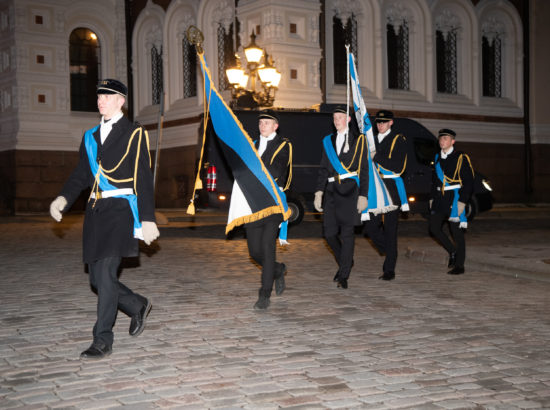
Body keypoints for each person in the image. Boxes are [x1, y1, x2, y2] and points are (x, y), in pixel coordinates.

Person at [49, 79, 159, 359]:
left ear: (121, 101)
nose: (101, 100)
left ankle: (102, 338)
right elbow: (81, 175)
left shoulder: (135, 134)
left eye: (108, 96)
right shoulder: (90, 136)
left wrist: (147, 219)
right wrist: (63, 198)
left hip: (122, 211)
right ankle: (137, 305)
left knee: (107, 275)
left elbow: (143, 179)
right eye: (99, 95)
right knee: (98, 281)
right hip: (95, 213)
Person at [229, 110, 292, 310]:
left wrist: (251, 166)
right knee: (255, 252)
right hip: (253, 205)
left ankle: (264, 294)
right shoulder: (252, 146)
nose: (262, 126)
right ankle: (278, 269)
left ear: (275, 126)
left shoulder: (284, 145)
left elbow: (275, 170)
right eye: (260, 123)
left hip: (273, 204)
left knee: (267, 248)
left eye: (267, 123)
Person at [314, 106, 369, 289]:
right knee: (329, 233)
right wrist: (319, 192)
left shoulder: (359, 140)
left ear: (349, 120)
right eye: (335, 117)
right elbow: (323, 169)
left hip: (350, 191)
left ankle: (344, 273)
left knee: (347, 234)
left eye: (340, 117)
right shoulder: (327, 141)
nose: (337, 120)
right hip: (331, 191)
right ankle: (346, 260)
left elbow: (364, 170)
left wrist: (363, 195)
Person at [363, 110, 408, 281]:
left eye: (384, 122)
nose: (380, 125)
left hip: (391, 187)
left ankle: (389, 269)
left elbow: (398, 166)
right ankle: (389, 251)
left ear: (391, 123)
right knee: (370, 228)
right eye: (378, 122)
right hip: (375, 188)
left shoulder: (399, 139)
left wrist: (377, 156)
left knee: (390, 230)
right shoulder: (371, 139)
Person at [429, 128, 474, 275]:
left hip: (454, 198)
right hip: (439, 198)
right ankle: (453, 251)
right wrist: (431, 197)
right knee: (434, 228)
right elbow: (434, 179)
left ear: (452, 141)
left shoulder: (461, 157)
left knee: (457, 233)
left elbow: (468, 181)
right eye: (441, 139)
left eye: (446, 139)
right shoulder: (436, 157)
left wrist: (462, 201)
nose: (442, 141)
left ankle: (459, 265)